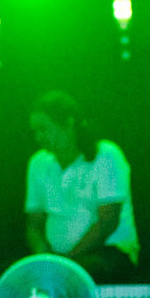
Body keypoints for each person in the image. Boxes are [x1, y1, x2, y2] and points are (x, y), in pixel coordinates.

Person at [25, 90, 138, 279]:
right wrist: (43, 256)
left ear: (68, 122)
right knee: (3, 274)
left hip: (109, 252)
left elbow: (107, 221)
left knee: (91, 270)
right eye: (35, 131)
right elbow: (34, 224)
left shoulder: (106, 154)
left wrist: (69, 261)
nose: (38, 137)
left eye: (43, 129)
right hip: (59, 260)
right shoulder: (37, 163)